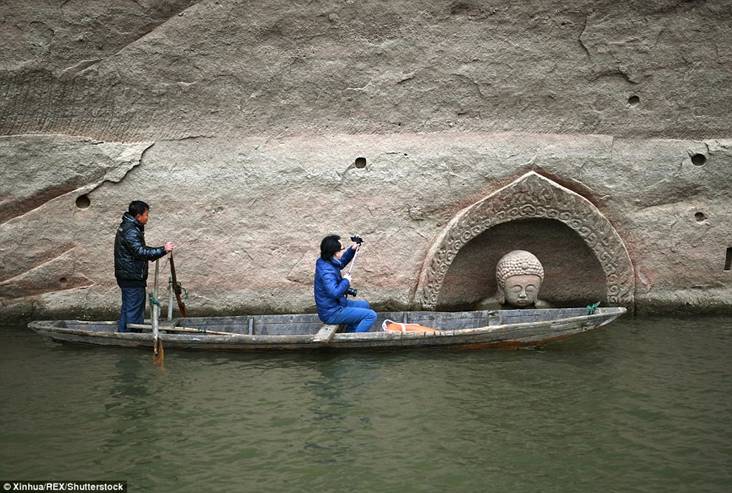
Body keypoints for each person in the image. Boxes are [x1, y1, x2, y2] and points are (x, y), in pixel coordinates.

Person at [114, 200, 175, 332]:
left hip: (128, 275)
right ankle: (132, 337)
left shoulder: (129, 226)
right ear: (138, 216)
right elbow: (140, 252)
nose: (147, 218)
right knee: (134, 309)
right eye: (146, 214)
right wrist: (163, 250)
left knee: (129, 307)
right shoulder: (131, 231)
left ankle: (123, 334)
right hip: (132, 277)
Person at [313, 235, 377, 333]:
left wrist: (352, 250)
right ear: (335, 252)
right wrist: (346, 281)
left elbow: (340, 263)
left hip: (337, 304)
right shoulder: (326, 272)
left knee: (364, 305)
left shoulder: (326, 261)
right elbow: (334, 292)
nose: (343, 250)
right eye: (342, 249)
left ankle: (349, 333)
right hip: (332, 312)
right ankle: (353, 341)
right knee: (371, 315)